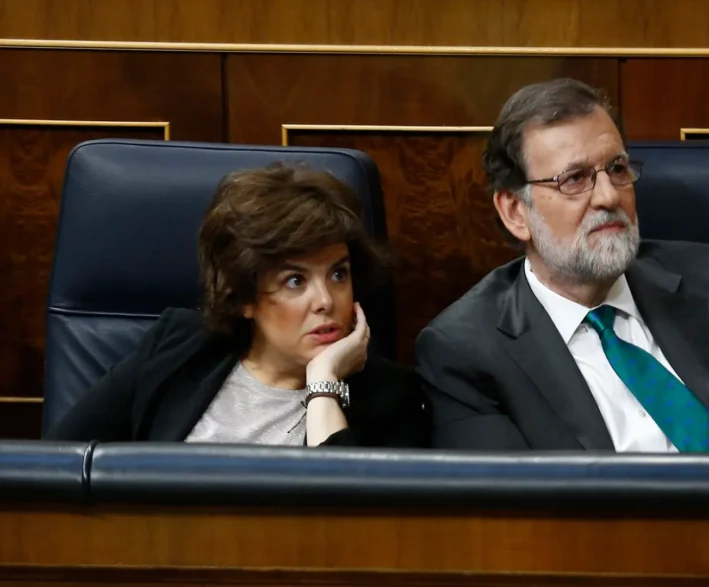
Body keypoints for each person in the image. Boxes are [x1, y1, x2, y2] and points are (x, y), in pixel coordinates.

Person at [414, 78, 709, 455]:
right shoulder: (466, 353)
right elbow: (510, 521)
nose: (609, 196)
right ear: (515, 212)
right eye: (575, 179)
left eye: (617, 169)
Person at [46, 163, 430, 448]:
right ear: (244, 298)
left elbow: (348, 519)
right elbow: (57, 463)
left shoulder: (391, 398)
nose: (326, 301)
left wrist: (324, 386)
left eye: (338, 274)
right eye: (295, 281)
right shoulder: (175, 349)